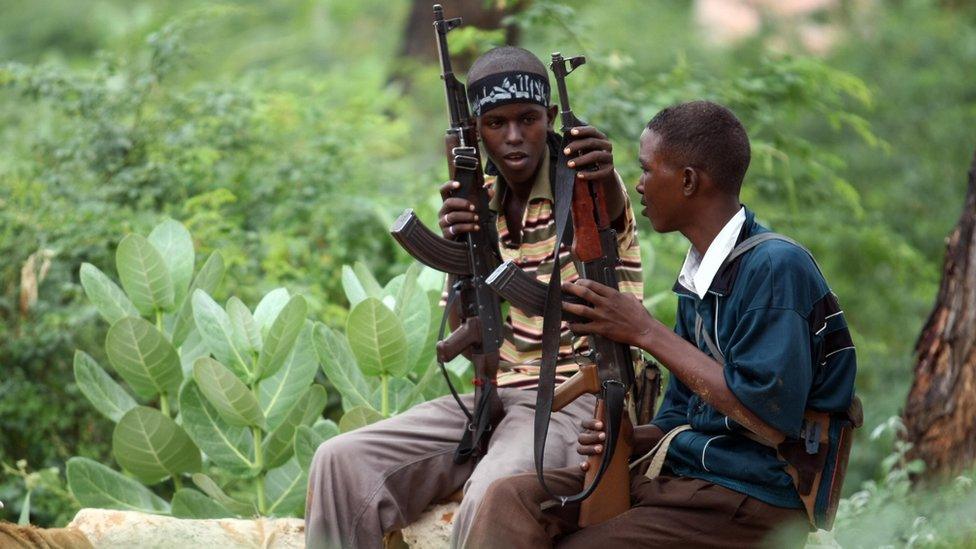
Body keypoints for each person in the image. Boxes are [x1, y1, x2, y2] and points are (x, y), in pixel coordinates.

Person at [465, 100, 858, 548]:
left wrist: (646, 331)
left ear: (688, 180)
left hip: (748, 496)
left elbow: (766, 416)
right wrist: (630, 436)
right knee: (509, 498)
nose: (639, 184)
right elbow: (680, 415)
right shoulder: (700, 274)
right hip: (683, 476)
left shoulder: (774, 267)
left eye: (648, 171)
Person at [304, 46, 645, 549]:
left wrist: (602, 168)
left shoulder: (586, 187)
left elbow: (610, 198)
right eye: (496, 122)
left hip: (577, 398)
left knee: (493, 490)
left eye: (528, 120)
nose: (513, 137)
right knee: (338, 460)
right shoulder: (479, 199)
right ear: (477, 130)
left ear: (549, 117)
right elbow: (473, 341)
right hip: (495, 398)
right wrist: (467, 253)